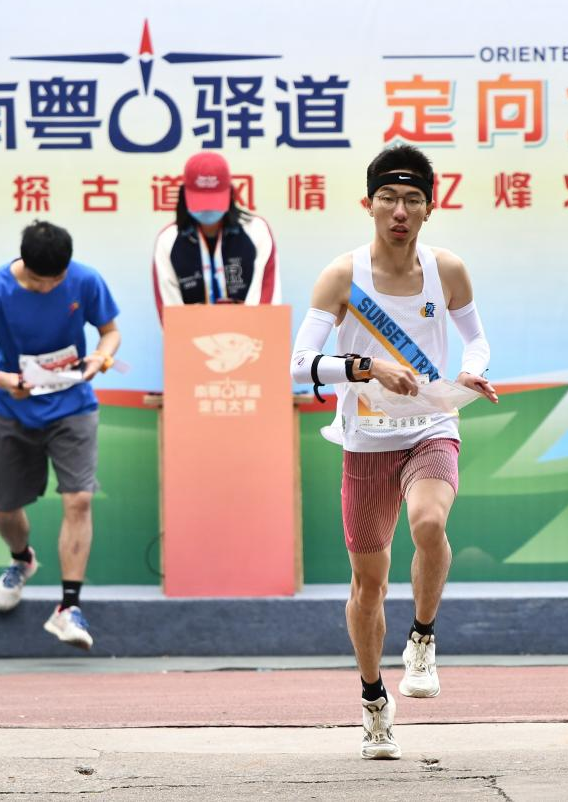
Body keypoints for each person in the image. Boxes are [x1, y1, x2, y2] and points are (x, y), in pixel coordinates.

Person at [289, 145, 497, 759]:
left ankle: (423, 638)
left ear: (430, 208)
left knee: (429, 522)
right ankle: (374, 699)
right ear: (369, 204)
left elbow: (477, 341)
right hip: (366, 441)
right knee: (368, 585)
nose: (399, 211)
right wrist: (366, 367)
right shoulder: (341, 276)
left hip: (431, 424)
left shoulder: (447, 270)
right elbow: (299, 366)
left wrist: (473, 372)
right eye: (388, 199)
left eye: (411, 200)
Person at [0, 220, 121, 651]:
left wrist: (101, 357)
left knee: (79, 498)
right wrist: (4, 380)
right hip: (14, 409)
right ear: (24, 266)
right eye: (39, 282)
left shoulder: (85, 280)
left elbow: (110, 331)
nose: (49, 288)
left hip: (74, 406)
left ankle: (68, 607)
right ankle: (21, 560)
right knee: (6, 510)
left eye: (57, 280)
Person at [152, 151, 280, 313]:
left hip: (252, 329)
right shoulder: (167, 240)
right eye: (200, 201)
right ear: (184, 194)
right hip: (189, 330)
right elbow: (170, 314)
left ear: (231, 193)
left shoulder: (257, 231)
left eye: (214, 200)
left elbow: (266, 305)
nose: (207, 209)